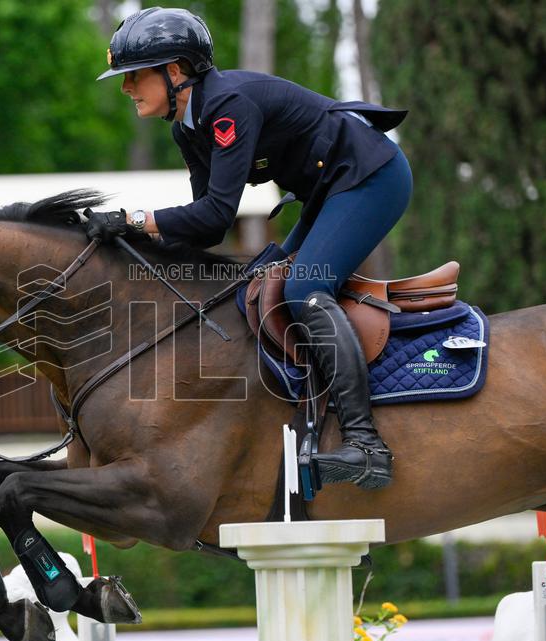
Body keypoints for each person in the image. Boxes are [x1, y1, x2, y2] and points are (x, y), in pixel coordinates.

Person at [88, 7, 412, 489]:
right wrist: (133, 238)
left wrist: (137, 219)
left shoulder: (228, 106)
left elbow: (217, 213)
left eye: (134, 75)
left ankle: (366, 446)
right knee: (258, 282)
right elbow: (207, 228)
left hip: (371, 177)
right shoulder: (186, 126)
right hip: (328, 189)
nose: (125, 87)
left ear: (174, 71)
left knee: (303, 289)